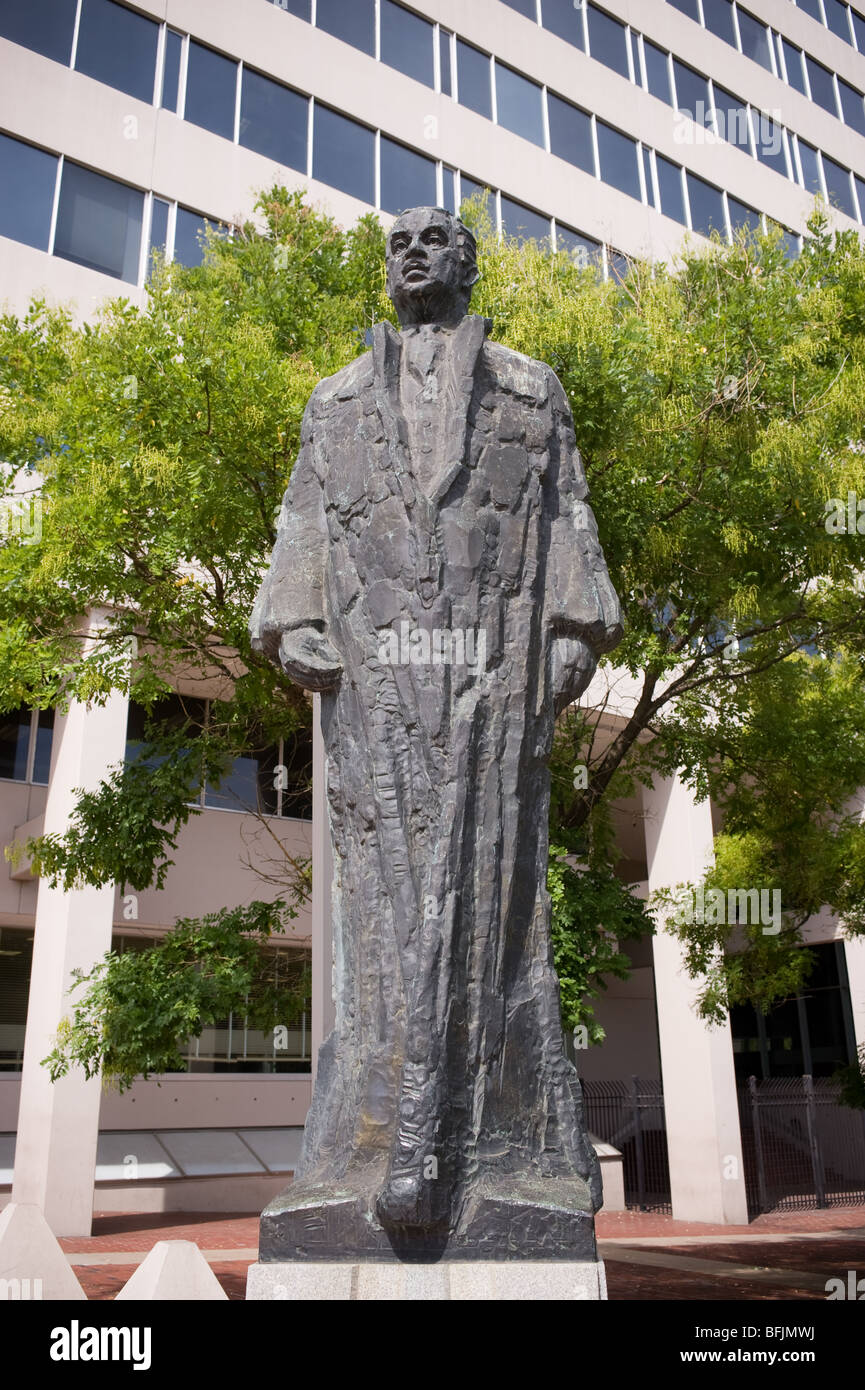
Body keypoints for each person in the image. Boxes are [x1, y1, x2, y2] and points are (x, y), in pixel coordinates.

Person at [250, 207, 623, 1259]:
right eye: (398, 240)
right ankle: (363, 1154)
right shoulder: (336, 401)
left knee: (499, 915)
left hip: (493, 688)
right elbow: (302, 524)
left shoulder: (527, 388)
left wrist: (571, 636)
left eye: (436, 237)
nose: (414, 250)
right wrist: (295, 626)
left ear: (466, 260)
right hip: (373, 696)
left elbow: (569, 522)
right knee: (377, 921)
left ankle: (517, 1153)